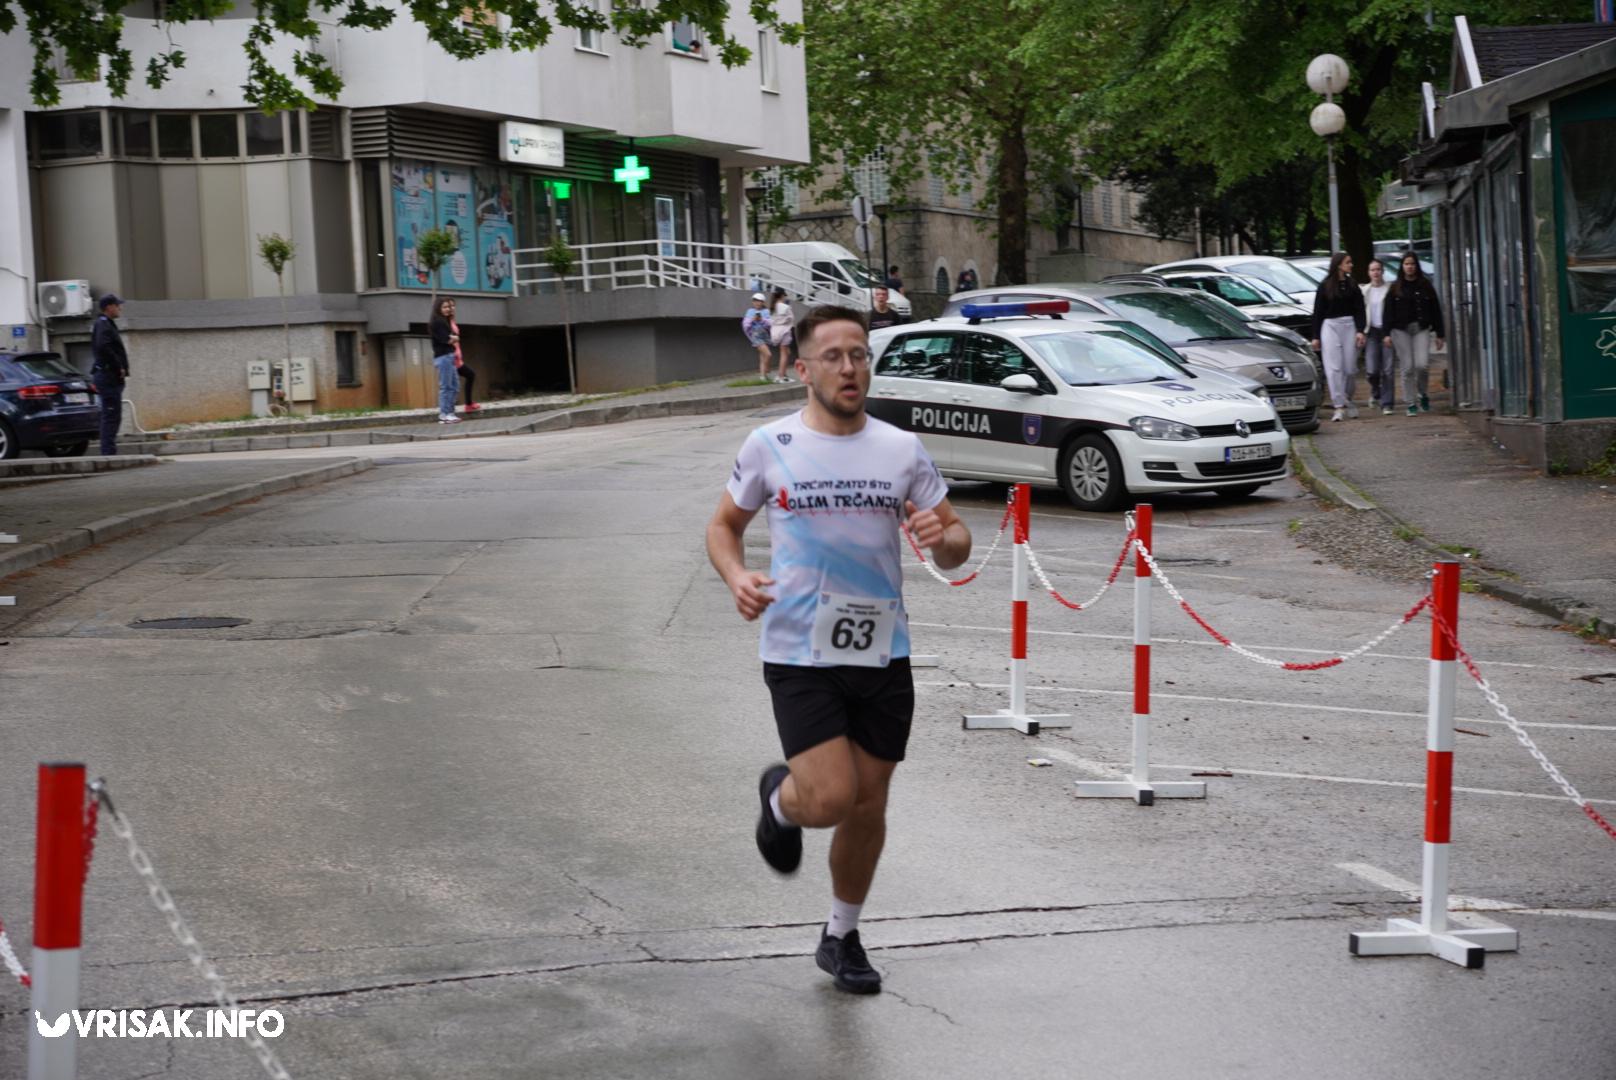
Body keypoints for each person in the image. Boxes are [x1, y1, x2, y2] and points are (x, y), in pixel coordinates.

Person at [705, 304, 971, 996]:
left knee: (867, 804)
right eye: (833, 357)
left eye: (859, 355)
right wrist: (736, 576)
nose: (850, 368)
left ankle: (842, 935)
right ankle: (781, 801)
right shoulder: (770, 444)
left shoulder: (900, 448)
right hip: (799, 650)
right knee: (827, 799)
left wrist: (942, 538)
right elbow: (724, 526)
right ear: (803, 369)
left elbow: (956, 539)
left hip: (882, 649)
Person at [1382, 251, 1446, 416]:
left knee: (1422, 365)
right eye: (1406, 264)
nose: (1409, 267)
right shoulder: (1395, 287)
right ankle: (1410, 402)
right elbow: (1387, 312)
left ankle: (1422, 393)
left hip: (1421, 328)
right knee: (1407, 367)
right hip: (1400, 330)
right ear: (1402, 267)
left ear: (1417, 266)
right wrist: (1386, 333)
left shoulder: (1425, 286)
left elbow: (1435, 310)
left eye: (1412, 264)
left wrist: (1440, 334)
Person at [1309, 252, 1366, 423]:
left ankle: (1347, 397)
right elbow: (1318, 312)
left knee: (1349, 368)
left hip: (1349, 325)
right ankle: (1338, 405)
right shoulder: (1325, 286)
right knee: (1334, 367)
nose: (1351, 265)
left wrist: (1360, 330)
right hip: (1330, 325)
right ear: (1339, 264)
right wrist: (1316, 336)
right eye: (1348, 262)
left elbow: (1359, 309)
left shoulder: (1352, 285)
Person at [90, 293, 129, 456]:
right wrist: (118, 366)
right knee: (111, 415)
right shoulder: (103, 324)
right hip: (107, 377)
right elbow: (103, 346)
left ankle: (109, 452)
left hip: (109, 377)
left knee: (113, 415)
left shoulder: (106, 324)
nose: (120, 308)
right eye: (117, 305)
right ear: (109, 307)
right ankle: (108, 454)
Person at [1360, 259, 1394, 415]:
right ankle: (1376, 391)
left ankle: (1387, 403)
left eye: (1378, 269)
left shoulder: (1390, 289)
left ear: (1383, 271)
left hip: (1387, 332)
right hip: (1372, 332)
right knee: (1372, 370)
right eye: (1372, 270)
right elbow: (1360, 312)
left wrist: (1390, 331)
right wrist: (1361, 331)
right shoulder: (1365, 290)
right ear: (1368, 272)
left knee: (1388, 369)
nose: (1376, 272)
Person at [428, 297, 462, 424]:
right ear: (438, 308)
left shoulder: (445, 321)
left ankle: (450, 413)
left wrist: (454, 337)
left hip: (449, 356)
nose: (448, 309)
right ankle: (444, 414)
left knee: (454, 386)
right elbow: (448, 340)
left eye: (449, 307)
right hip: (444, 357)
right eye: (445, 307)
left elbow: (454, 337)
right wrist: (455, 338)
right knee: (446, 387)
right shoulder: (437, 322)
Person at [450, 301, 480, 413]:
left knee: (469, 376)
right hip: (453, 359)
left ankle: (468, 404)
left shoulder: (451, 321)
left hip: (457, 359)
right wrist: (455, 354)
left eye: (453, 306)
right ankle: (451, 409)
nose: (452, 308)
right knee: (451, 385)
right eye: (449, 306)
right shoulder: (446, 322)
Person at [742, 292, 773, 379]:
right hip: (755, 335)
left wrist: (761, 319)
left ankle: (763, 377)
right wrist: (753, 319)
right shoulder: (750, 311)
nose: (757, 303)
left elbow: (770, 323)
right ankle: (767, 369)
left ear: (763, 302)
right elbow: (745, 325)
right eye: (755, 301)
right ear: (752, 302)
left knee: (762, 356)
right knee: (768, 354)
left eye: (759, 301)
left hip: (765, 334)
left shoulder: (766, 311)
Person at [769, 288, 795, 383]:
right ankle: (781, 376)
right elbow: (791, 319)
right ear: (782, 296)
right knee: (784, 354)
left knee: (786, 353)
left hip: (775, 331)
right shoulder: (785, 307)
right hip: (785, 331)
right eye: (784, 295)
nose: (785, 297)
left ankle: (783, 374)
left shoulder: (772, 307)